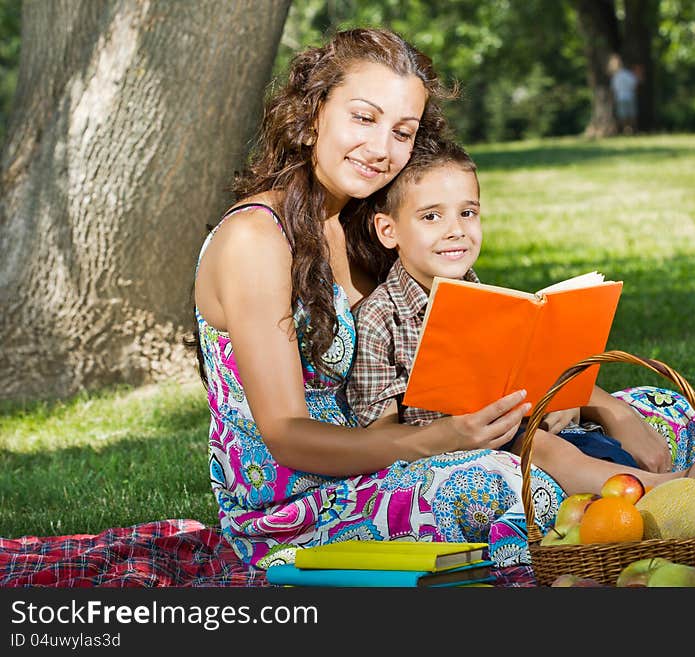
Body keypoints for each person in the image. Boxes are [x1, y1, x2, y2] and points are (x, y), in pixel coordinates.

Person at [192, 27, 585, 570]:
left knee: (660, 411)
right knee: (497, 482)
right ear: (310, 118)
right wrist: (442, 440)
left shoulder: (363, 223)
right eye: (363, 117)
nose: (382, 149)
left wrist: (544, 396)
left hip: (391, 455)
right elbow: (286, 437)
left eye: (403, 132)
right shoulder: (256, 239)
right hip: (296, 509)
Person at [346, 137, 695, 519]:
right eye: (431, 216)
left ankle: (655, 496)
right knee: (545, 450)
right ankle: (669, 490)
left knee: (591, 434)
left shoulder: (484, 296)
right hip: (454, 451)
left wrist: (558, 398)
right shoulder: (382, 317)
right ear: (388, 230)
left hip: (525, 429)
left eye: (468, 212)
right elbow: (380, 433)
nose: (455, 230)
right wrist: (456, 434)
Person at [608, 54, 638, 135]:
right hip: (630, 96)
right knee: (631, 115)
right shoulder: (628, 74)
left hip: (620, 97)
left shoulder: (616, 76)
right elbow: (634, 84)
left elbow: (613, 89)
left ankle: (626, 130)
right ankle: (631, 130)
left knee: (623, 116)